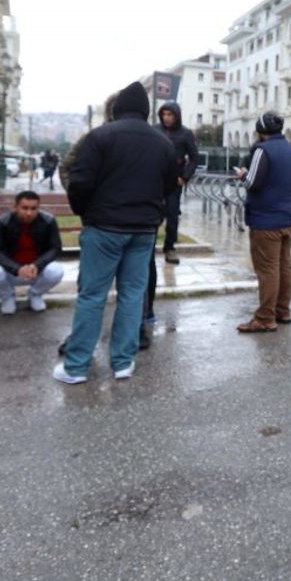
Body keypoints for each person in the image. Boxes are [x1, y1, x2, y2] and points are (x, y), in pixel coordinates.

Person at [57, 82, 176, 384]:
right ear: (146, 111)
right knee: (133, 296)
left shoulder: (100, 136)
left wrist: (87, 213)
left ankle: (76, 367)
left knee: (92, 295)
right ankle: (123, 362)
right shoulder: (162, 143)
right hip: (143, 230)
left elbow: (80, 181)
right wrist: (152, 214)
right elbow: (169, 185)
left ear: (117, 109)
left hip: (105, 227)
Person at [233, 111, 291, 333]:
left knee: (268, 269)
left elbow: (252, 182)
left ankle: (265, 317)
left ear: (260, 131)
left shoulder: (262, 151)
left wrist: (243, 175)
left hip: (266, 221)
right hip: (288, 219)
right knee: (285, 265)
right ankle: (283, 311)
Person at [0, 190, 65, 314]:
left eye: (33, 208)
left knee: (56, 270)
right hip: (11, 271)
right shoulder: (3, 222)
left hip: (36, 270)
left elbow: (55, 248)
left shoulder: (48, 221)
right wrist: (16, 268)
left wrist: (37, 265)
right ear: (15, 207)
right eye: (24, 208)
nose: (29, 213)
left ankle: (35, 294)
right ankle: (7, 297)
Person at [155, 101, 199, 265]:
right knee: (153, 214)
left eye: (170, 115)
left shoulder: (185, 133)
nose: (167, 118)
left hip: (174, 182)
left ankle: (170, 247)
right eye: (164, 114)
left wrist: (184, 177)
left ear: (176, 116)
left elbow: (194, 158)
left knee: (172, 216)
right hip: (155, 181)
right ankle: (148, 246)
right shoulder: (154, 130)